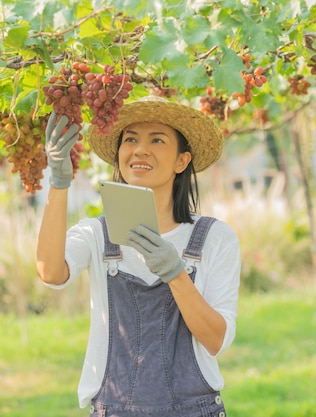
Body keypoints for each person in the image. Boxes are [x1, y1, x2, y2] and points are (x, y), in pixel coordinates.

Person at [36, 95, 241, 417]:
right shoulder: (96, 235)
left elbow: (216, 340)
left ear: (181, 161)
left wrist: (176, 274)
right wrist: (59, 183)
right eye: (130, 139)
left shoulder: (214, 238)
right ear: (118, 156)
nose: (139, 149)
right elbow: (50, 271)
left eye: (156, 140)